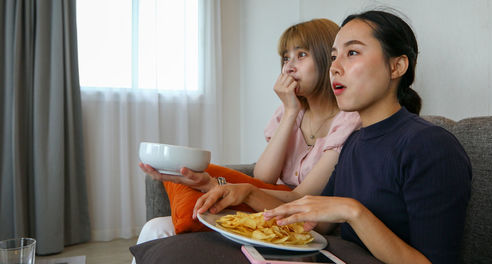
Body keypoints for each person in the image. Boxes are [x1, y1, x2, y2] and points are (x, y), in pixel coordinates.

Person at [194, 10, 471, 264]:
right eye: (334, 56)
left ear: (397, 67)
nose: (335, 67)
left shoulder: (431, 146)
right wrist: (246, 192)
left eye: (352, 53)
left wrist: (353, 212)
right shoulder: (354, 143)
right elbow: (317, 219)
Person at [136, 19, 361, 243]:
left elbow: (300, 196)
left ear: (326, 59)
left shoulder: (349, 120)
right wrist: (291, 111)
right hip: (266, 208)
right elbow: (264, 176)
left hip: (299, 219)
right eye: (285, 58)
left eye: (301, 55)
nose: (288, 67)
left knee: (161, 230)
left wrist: (226, 187)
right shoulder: (288, 112)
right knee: (155, 228)